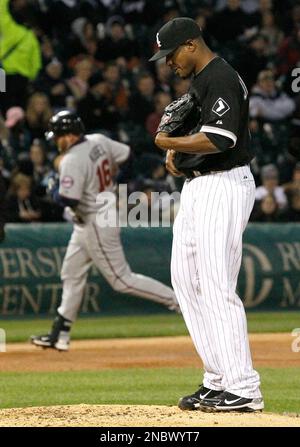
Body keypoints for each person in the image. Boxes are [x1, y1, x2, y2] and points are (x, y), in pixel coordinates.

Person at [151, 17, 264, 412]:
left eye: (171, 54)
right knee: (186, 280)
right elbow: (203, 142)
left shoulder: (220, 77)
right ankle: (217, 377)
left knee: (216, 283)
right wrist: (180, 157)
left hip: (225, 184)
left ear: (191, 45)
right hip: (199, 185)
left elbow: (221, 138)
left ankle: (244, 388)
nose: (168, 63)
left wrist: (169, 140)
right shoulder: (201, 82)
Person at [30, 111, 179, 352]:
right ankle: (60, 334)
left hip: (96, 219)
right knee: (71, 272)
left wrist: (53, 190)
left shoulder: (71, 159)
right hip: (100, 210)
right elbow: (129, 156)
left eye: (57, 136)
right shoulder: (99, 140)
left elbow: (68, 199)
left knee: (121, 280)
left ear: (69, 135)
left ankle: (179, 301)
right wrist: (114, 181)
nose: (55, 141)